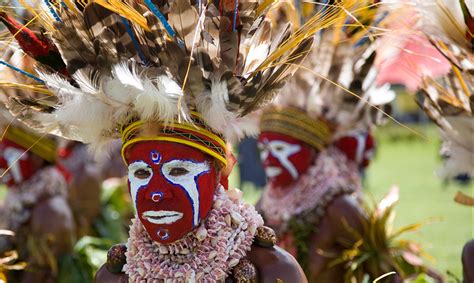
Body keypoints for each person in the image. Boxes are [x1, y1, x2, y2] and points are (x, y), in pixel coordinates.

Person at [0, 0, 352, 280]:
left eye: (180, 170)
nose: (156, 191)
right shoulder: (114, 276)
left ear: (219, 174)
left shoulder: (270, 271)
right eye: (140, 173)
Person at [0, 111, 76, 283]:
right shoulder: (17, 200)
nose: (1, 162)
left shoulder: (50, 212)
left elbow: (38, 276)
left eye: (8, 154)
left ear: (37, 159)